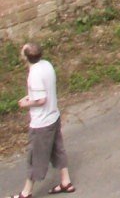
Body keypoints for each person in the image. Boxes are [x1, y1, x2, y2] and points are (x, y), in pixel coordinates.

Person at [15, 42, 73, 195]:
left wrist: (26, 103)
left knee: (35, 157)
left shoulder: (33, 74)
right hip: (54, 116)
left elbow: (41, 99)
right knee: (58, 149)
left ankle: (26, 193)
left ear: (25, 57)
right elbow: (44, 89)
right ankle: (66, 182)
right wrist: (29, 96)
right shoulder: (46, 65)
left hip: (41, 123)